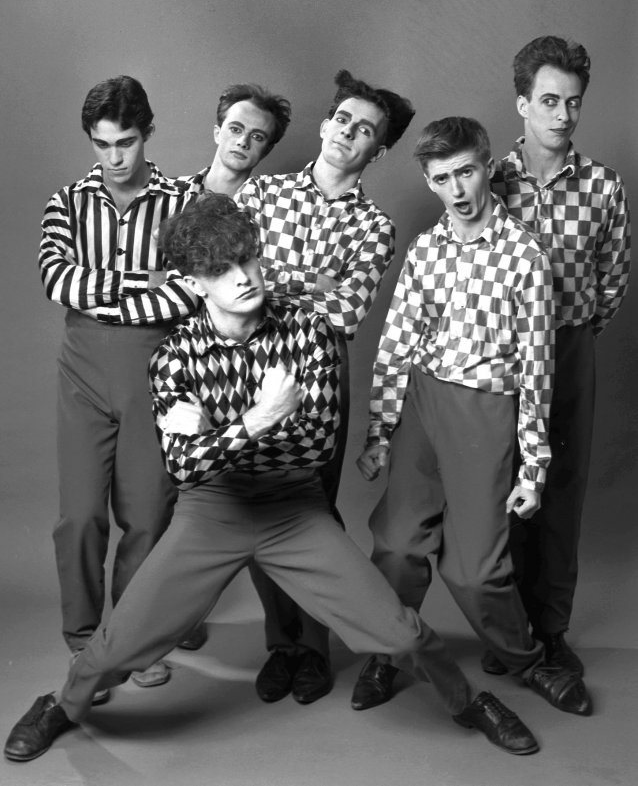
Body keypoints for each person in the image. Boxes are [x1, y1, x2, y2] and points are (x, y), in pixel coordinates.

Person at [5, 193, 543, 762]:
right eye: (219, 270)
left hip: (295, 510)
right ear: (194, 284)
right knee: (118, 645)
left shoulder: (306, 332)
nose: (241, 278)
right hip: (211, 513)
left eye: (247, 260)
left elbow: (316, 445)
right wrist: (261, 418)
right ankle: (60, 706)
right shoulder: (175, 357)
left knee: (401, 632)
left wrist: (218, 431)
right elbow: (184, 467)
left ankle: (468, 702)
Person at [350, 116, 592, 720]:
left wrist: (533, 468)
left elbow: (538, 370)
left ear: (487, 167)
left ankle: (528, 658)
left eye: (465, 172)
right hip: (424, 404)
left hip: (486, 410)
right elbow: (396, 344)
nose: (457, 189)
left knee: (476, 570)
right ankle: (389, 652)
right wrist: (381, 432)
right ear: (429, 183)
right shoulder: (425, 249)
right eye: (441, 178)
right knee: (397, 545)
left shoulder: (524, 257)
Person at [235, 69, 415, 705]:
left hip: (320, 380)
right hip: (249, 370)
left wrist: (279, 285)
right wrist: (315, 283)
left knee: (311, 511)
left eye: (365, 130)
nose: (349, 134)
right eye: (343, 120)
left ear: (379, 149)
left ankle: (313, 648)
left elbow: (344, 314)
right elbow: (238, 285)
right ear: (325, 123)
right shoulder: (262, 195)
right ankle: (280, 645)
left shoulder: (376, 227)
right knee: (254, 503)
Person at [40, 76, 201, 701]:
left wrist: (107, 285)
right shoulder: (67, 201)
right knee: (79, 515)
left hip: (154, 368)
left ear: (147, 133)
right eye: (102, 144)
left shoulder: (183, 198)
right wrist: (143, 282)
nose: (114, 158)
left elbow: (189, 287)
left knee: (147, 514)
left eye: (126, 142)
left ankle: (130, 642)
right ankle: (85, 640)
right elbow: (58, 280)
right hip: (82, 367)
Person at [487, 35, 631, 676]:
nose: (563, 115)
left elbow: (614, 278)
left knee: (562, 490)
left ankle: (552, 628)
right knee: (503, 485)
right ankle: (504, 628)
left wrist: (568, 336)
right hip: (498, 353)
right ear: (522, 104)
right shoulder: (487, 181)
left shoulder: (602, 186)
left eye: (573, 103)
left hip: (569, 348)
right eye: (549, 101)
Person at [175, 81, 292, 652]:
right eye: (237, 128)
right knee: (180, 491)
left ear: (266, 150)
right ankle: (179, 616)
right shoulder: (171, 196)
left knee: (264, 487)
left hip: (253, 360)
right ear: (217, 128)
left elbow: (283, 285)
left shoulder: (271, 207)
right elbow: (153, 280)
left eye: (259, 137)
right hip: (179, 358)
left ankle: (287, 643)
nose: (244, 141)